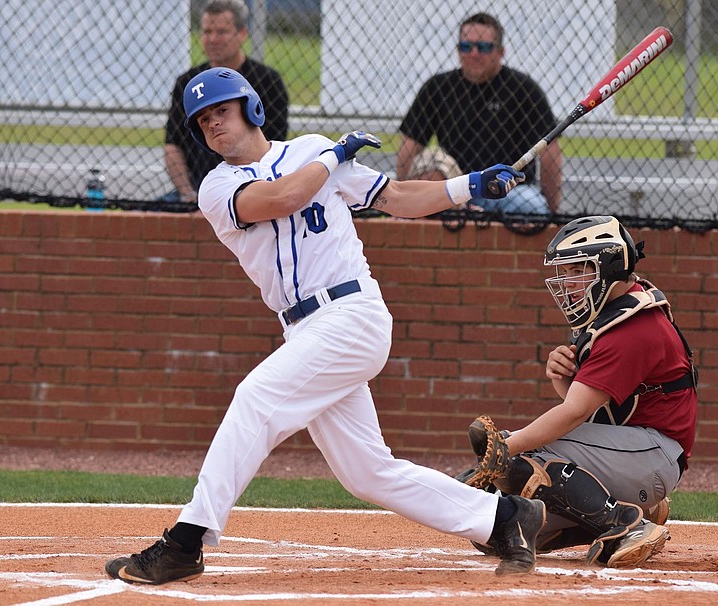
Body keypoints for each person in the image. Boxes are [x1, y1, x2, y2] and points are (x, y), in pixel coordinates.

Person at [105, 66, 547, 585]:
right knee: (366, 472)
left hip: (352, 314)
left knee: (254, 399)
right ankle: (503, 518)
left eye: (222, 111)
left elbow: (396, 198)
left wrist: (469, 184)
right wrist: (333, 156)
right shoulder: (218, 186)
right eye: (203, 121)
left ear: (250, 109)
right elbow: (281, 199)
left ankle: (186, 542)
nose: (214, 126)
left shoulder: (308, 150)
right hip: (305, 329)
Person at [460, 215, 698, 567]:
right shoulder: (618, 309)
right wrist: (563, 380)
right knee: (501, 528)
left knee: (524, 461)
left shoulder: (632, 329)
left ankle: (626, 525)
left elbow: (574, 413)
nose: (568, 283)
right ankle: (633, 508)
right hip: (632, 447)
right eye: (566, 273)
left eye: (577, 272)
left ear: (608, 267)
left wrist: (506, 446)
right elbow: (596, 409)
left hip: (653, 454)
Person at [396, 12, 562, 215]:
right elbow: (409, 147)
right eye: (466, 46)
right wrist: (401, 203)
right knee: (429, 175)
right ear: (458, 50)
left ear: (500, 52)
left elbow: (550, 152)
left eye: (483, 47)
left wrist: (552, 212)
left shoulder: (523, 89)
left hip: (509, 192)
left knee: (533, 207)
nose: (474, 53)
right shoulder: (438, 88)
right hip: (456, 189)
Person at [162, 0, 288, 203]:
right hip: (196, 188)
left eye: (221, 32)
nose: (212, 39)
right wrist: (187, 194)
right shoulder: (189, 84)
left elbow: (273, 146)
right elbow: (172, 145)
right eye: (206, 32)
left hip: (254, 187)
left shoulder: (266, 81)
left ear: (242, 34)